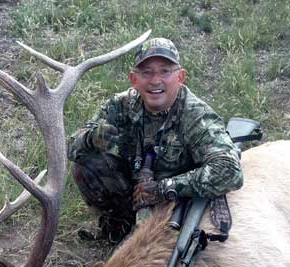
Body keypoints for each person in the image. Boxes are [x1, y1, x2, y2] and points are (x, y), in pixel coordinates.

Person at [68, 37, 243, 242]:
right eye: (147, 72)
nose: (155, 80)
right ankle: (119, 222)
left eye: (165, 71)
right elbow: (71, 147)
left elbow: (230, 171)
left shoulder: (197, 116)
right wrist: (91, 139)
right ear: (134, 79)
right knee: (85, 166)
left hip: (176, 201)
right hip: (135, 189)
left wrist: (164, 188)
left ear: (180, 76)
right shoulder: (120, 104)